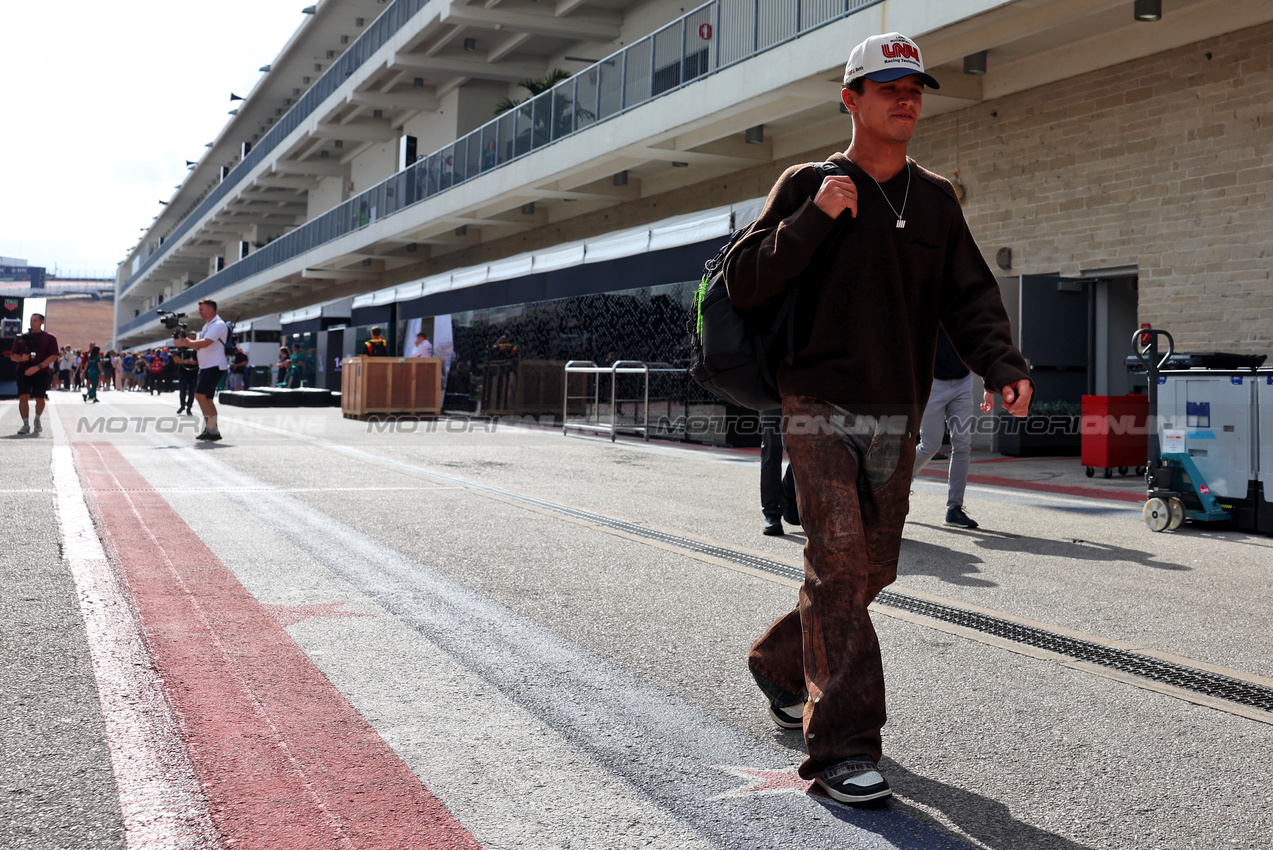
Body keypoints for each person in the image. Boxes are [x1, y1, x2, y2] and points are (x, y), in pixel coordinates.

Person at [723, 32, 1033, 806]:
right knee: (836, 565)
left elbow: (968, 295)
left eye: (915, 87)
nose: (905, 97)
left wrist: (1002, 365)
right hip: (817, 401)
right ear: (849, 99)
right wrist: (813, 221)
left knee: (872, 570)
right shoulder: (808, 183)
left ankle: (776, 663)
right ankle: (842, 750)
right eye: (887, 84)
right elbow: (743, 280)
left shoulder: (932, 199)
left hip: (897, 406)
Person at [913, 327, 979, 528]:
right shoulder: (929, 305)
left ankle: (954, 509)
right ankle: (899, 488)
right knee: (930, 445)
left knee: (962, 445)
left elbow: (982, 344)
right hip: (934, 382)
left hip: (963, 381)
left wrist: (989, 385)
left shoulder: (965, 309)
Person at [172, 298, 229, 442]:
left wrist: (188, 342)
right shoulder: (207, 326)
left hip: (215, 365)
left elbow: (205, 343)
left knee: (200, 395)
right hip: (206, 366)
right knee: (207, 398)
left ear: (211, 309)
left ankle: (212, 429)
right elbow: (196, 345)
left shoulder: (218, 325)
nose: (199, 312)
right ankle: (212, 429)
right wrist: (181, 340)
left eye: (202, 309)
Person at [9, 313, 59, 435]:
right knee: (23, 396)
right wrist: (22, 359)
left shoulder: (50, 338)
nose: (33, 323)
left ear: (42, 322)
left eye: (36, 320)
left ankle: (37, 419)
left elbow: (53, 356)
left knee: (40, 398)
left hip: (41, 372)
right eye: (31, 320)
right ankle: (25, 424)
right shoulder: (21, 337)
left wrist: (38, 367)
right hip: (23, 370)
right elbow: (13, 356)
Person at [759, 408, 800, 536]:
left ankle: (788, 492)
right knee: (772, 446)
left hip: (802, 391)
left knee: (805, 450)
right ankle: (772, 513)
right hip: (771, 394)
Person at [172, 336, 200, 415]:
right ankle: (182, 405)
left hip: (194, 372)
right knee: (182, 389)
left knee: (192, 391)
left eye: (193, 338)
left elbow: (205, 359)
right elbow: (175, 358)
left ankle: (189, 407)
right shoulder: (183, 348)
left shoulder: (198, 348)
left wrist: (196, 362)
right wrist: (184, 361)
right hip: (183, 372)